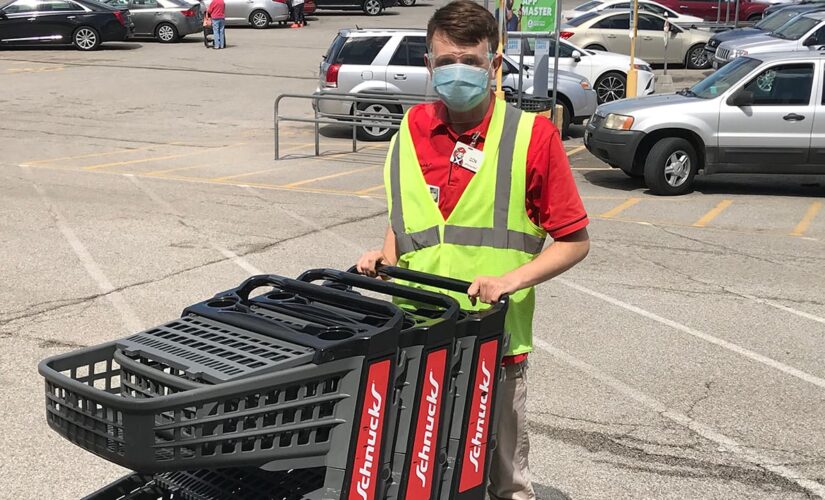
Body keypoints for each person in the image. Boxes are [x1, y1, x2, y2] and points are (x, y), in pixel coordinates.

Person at [356, 1, 590, 499]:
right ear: (428, 64)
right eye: (445, 62)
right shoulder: (409, 131)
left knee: (506, 481)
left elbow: (574, 242)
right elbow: (405, 220)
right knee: (421, 473)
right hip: (418, 340)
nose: (456, 73)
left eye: (471, 62)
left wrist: (510, 281)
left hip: (495, 344)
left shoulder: (532, 137)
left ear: (495, 65)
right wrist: (383, 257)